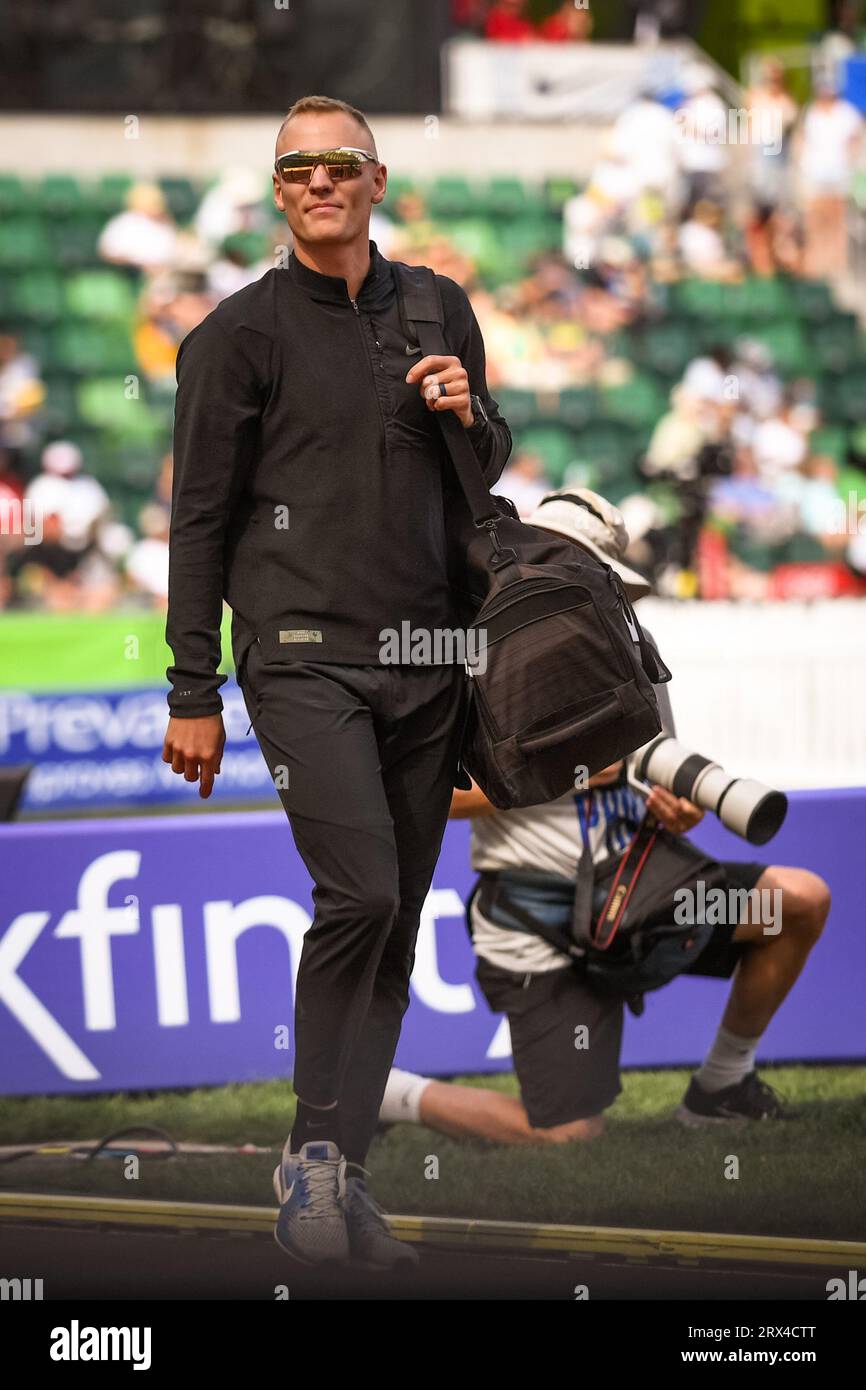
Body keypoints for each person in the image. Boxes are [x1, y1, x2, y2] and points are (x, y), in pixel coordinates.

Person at [161, 94, 512, 1267]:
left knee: (396, 927)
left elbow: (484, 468)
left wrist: (473, 413)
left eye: (340, 163)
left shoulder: (436, 304)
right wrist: (191, 691)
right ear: (279, 192)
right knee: (357, 894)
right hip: (301, 658)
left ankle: (344, 1174)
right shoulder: (233, 336)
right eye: (297, 166)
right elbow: (198, 522)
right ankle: (310, 1155)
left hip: (430, 659)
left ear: (374, 180)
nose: (319, 180)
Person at [374, 487, 830, 1145]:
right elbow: (429, 800)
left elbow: (656, 771)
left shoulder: (634, 646)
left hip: (645, 894)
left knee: (798, 902)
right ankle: (388, 1094)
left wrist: (673, 811)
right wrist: (566, 774)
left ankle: (721, 1087)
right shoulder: (465, 654)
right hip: (538, 923)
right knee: (569, 1137)